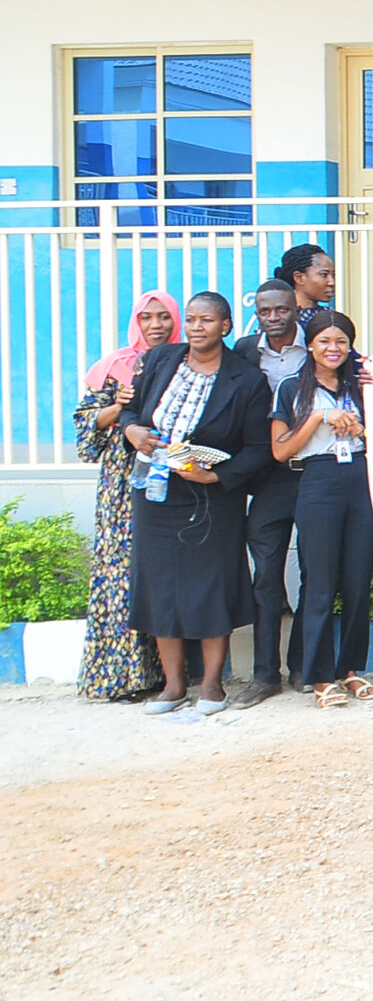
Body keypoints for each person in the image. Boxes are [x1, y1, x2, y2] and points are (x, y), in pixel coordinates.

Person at [123, 292, 271, 715]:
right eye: (190, 319)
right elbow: (131, 411)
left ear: (225, 326)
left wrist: (216, 476)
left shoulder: (246, 380)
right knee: (159, 587)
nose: (196, 327)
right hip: (155, 492)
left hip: (211, 498)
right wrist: (132, 431)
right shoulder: (160, 360)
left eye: (206, 320)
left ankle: (211, 686)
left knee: (211, 587)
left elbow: (258, 449)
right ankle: (173, 687)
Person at [73, 291, 182, 701]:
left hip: (174, 480)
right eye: (146, 317)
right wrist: (119, 407)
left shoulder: (187, 362)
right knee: (122, 574)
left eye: (164, 317)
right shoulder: (115, 368)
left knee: (165, 575)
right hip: (121, 488)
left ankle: (169, 677)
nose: (156, 325)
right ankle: (122, 678)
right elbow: (85, 431)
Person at [268, 310, 373, 707]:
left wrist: (360, 429)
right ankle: (319, 676)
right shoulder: (291, 387)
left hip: (359, 479)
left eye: (341, 342)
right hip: (317, 480)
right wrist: (318, 417)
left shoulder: (360, 386)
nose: (333, 348)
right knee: (320, 582)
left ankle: (350, 669)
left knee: (357, 581)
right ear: (310, 345)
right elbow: (280, 451)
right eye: (325, 341)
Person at [233, 280, 308, 705]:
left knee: (315, 572)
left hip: (314, 474)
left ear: (295, 307)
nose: (274, 317)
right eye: (265, 311)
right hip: (268, 477)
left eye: (281, 309)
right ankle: (265, 675)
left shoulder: (318, 342)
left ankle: (303, 666)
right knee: (265, 577)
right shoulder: (245, 350)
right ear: (257, 313)